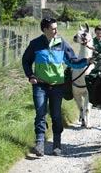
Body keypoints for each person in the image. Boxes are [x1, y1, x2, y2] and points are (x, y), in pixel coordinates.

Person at [22, 18, 92, 156]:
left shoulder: (61, 44)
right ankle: (40, 144)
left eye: (56, 28)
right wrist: (30, 75)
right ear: (45, 30)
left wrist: (86, 61)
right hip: (40, 86)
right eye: (53, 28)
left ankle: (57, 144)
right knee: (40, 113)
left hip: (57, 86)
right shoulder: (35, 44)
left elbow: (72, 61)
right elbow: (26, 61)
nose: (56, 31)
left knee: (56, 115)